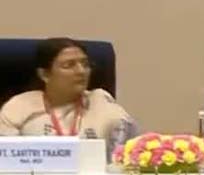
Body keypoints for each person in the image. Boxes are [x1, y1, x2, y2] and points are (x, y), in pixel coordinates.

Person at [0, 38, 137, 152]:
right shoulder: (18, 107)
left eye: (85, 64)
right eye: (69, 65)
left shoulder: (101, 103)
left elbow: (126, 154)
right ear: (44, 74)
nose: (81, 71)